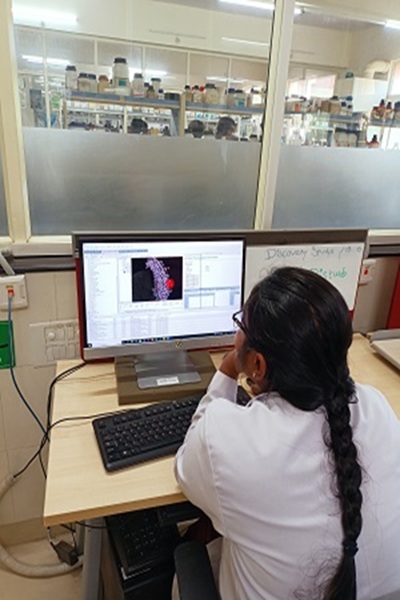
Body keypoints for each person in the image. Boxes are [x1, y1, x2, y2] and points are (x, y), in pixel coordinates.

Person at [175, 267, 400, 600]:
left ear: (258, 365)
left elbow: (186, 467)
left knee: (193, 554)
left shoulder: (226, 439)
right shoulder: (377, 405)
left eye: (240, 326)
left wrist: (227, 370)